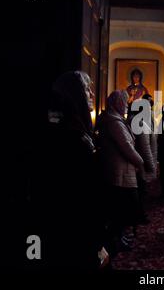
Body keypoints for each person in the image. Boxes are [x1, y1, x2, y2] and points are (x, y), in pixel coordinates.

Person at [37, 71, 109, 270]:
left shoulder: (77, 128)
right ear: (74, 94)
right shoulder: (69, 135)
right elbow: (79, 196)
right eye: (86, 89)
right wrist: (95, 242)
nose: (92, 95)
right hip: (73, 233)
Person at [95, 90, 144, 252]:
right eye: (124, 102)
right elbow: (126, 147)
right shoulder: (114, 122)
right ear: (116, 103)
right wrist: (141, 162)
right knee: (120, 210)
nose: (126, 105)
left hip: (121, 170)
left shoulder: (114, 119)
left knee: (121, 210)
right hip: (119, 172)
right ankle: (116, 240)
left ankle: (120, 236)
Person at [127, 98, 157, 225]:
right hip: (141, 164)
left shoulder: (132, 120)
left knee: (139, 191)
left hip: (136, 164)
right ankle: (140, 215)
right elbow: (145, 148)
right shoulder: (139, 123)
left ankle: (137, 214)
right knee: (141, 191)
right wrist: (151, 166)